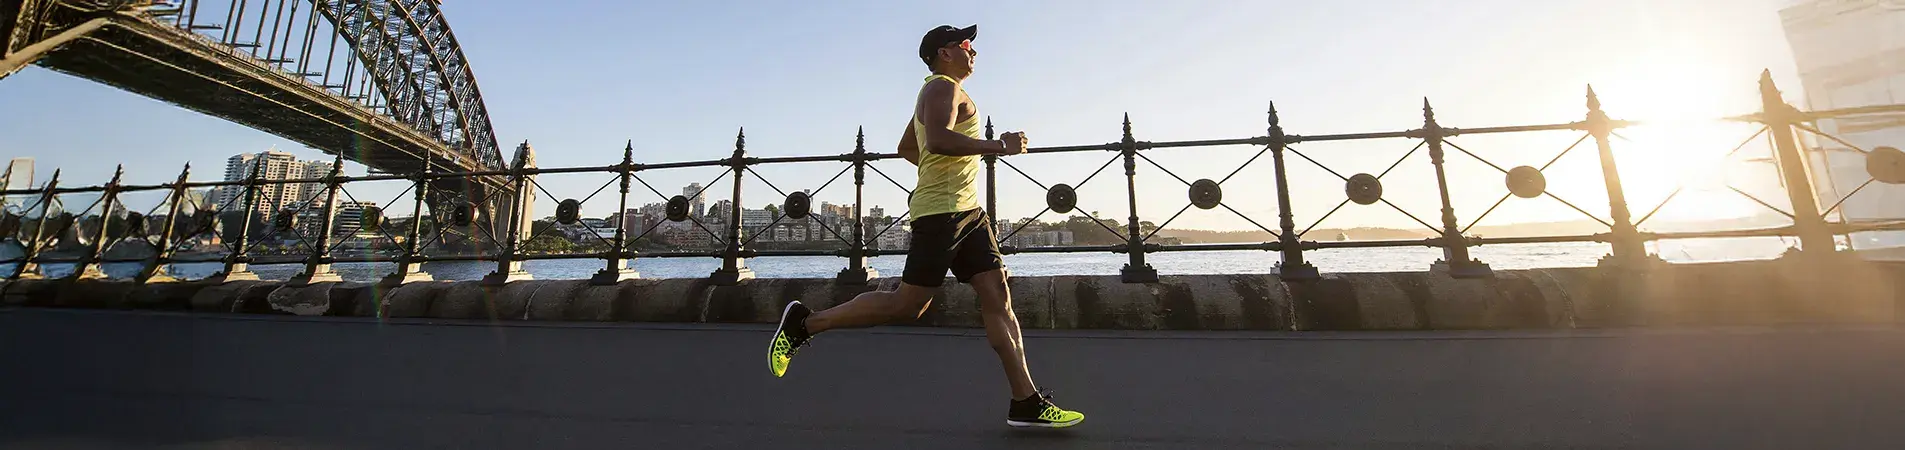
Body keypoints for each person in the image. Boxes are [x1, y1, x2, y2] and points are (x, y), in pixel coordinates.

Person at [766, 24, 1084, 429]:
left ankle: (1026, 401)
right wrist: (998, 147)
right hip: (942, 214)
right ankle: (804, 323)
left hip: (968, 212)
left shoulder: (944, 90)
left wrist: (944, 174)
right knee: (908, 304)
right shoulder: (941, 89)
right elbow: (935, 140)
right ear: (943, 52)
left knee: (997, 293)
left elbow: (908, 148)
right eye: (965, 44)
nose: (974, 51)